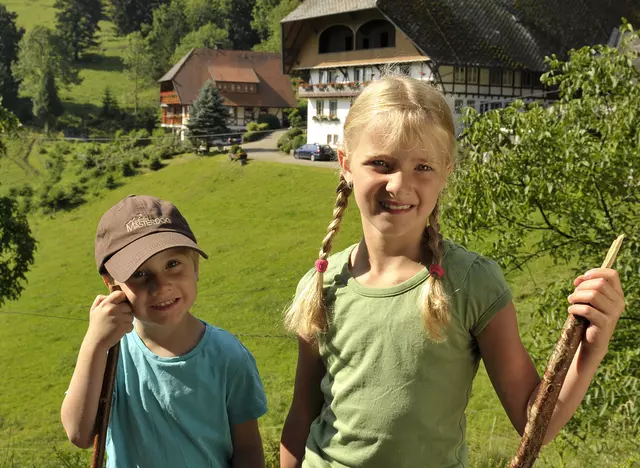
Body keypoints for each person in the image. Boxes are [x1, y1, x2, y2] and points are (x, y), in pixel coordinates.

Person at [279, 76, 625, 467]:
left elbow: (535, 424)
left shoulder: (471, 283)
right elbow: (301, 419)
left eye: (422, 167)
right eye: (381, 163)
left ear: (445, 172)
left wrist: (593, 345)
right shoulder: (322, 284)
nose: (399, 184)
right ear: (345, 164)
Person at [61, 195, 267, 468]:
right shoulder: (110, 353)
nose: (161, 286)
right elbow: (79, 434)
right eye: (140, 273)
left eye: (172, 264)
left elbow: (249, 451)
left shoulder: (228, 355)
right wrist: (95, 344)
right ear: (111, 283)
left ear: (195, 266)